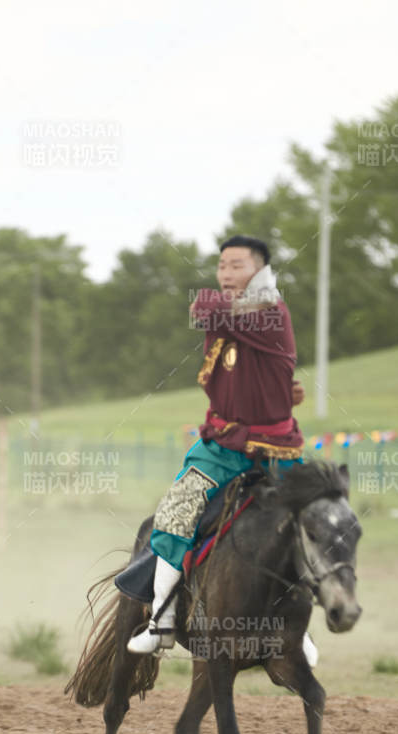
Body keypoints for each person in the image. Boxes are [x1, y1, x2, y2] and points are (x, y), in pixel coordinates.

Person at [126, 235, 316, 664]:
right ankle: (162, 618)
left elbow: (210, 308)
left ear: (261, 270)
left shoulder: (272, 313)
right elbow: (205, 310)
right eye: (222, 266)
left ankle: (300, 631)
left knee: (314, 523)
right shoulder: (231, 312)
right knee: (176, 510)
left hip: (276, 449)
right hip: (221, 445)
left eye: (237, 266)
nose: (226, 274)